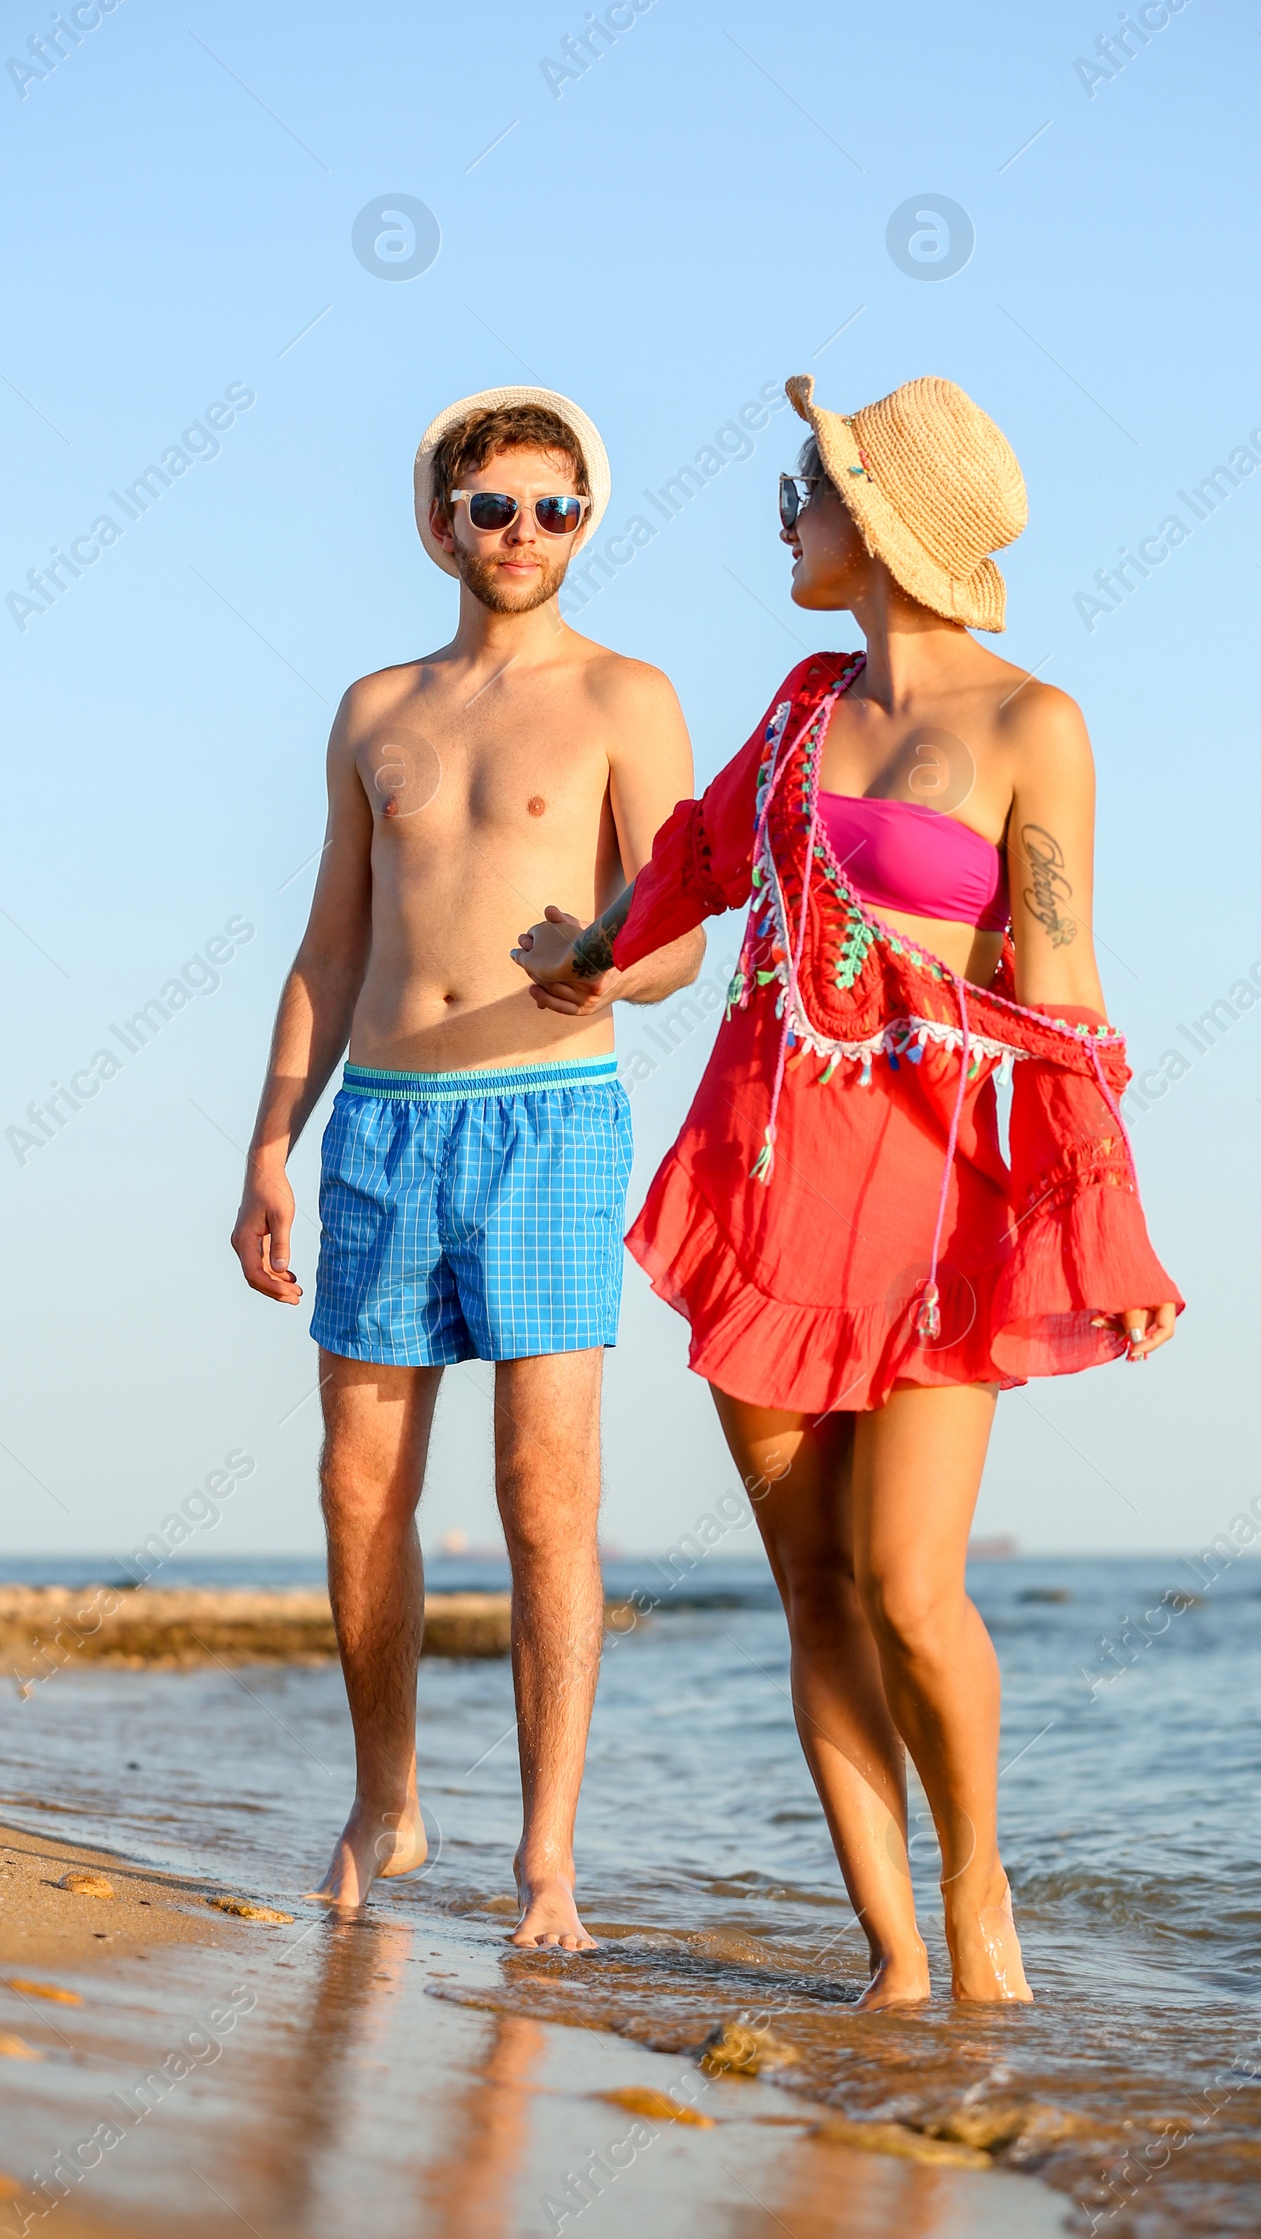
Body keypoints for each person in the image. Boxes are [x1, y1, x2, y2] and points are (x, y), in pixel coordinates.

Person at [512, 373, 1183, 2003]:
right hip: (775, 1181)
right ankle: (892, 1961)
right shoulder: (808, 707)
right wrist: (591, 958)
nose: (786, 512)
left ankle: (973, 1890)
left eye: (806, 487)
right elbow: (691, 854)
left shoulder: (1037, 726)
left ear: (878, 524)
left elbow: (1064, 979)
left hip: (949, 1203)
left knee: (909, 1583)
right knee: (815, 1590)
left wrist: (1115, 1211)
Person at [231, 386, 703, 1942]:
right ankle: (388, 1800)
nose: (521, 535)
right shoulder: (377, 709)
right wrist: (266, 1148)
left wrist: (608, 974)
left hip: (549, 1116)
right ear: (440, 521)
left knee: (542, 1493)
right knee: (359, 1487)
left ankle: (550, 1858)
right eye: (492, 507)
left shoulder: (629, 697)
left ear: (587, 519)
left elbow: (682, 938)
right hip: (378, 1121)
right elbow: (329, 940)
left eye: (553, 508)